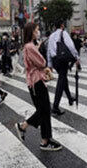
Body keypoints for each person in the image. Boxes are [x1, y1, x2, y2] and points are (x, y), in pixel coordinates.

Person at [15, 22, 62, 151]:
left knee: (44, 110)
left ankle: (45, 140)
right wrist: (39, 52)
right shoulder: (30, 46)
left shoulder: (30, 46)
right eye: (36, 30)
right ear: (31, 32)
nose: (38, 32)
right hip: (36, 82)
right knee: (44, 110)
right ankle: (26, 128)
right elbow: (42, 62)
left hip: (35, 81)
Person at [47, 21, 79, 116]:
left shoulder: (51, 36)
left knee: (63, 78)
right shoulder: (63, 33)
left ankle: (70, 98)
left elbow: (49, 50)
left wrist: (50, 64)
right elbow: (70, 46)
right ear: (62, 25)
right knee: (61, 80)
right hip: (62, 59)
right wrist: (76, 57)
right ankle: (55, 106)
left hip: (54, 60)